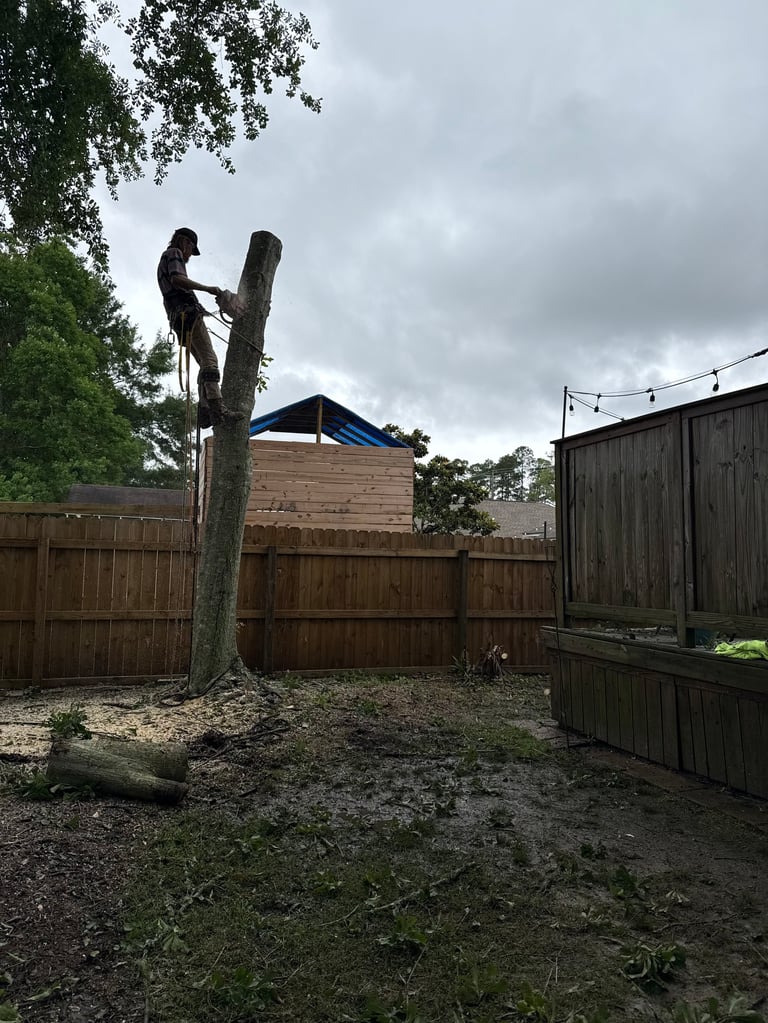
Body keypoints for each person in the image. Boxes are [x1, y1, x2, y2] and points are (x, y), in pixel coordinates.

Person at [157, 227, 242, 427]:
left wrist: (203, 308)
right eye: (191, 249)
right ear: (184, 242)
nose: (189, 255)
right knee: (210, 360)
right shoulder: (174, 253)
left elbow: (178, 290)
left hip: (180, 319)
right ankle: (218, 409)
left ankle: (205, 408)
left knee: (205, 364)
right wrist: (209, 288)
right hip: (187, 316)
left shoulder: (165, 260)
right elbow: (178, 279)